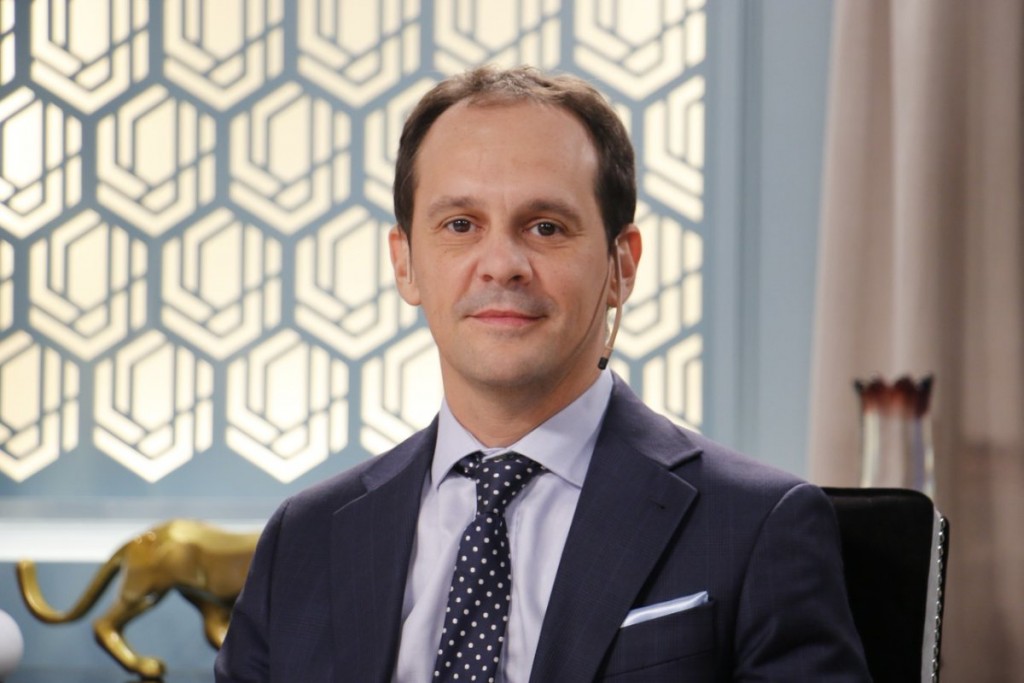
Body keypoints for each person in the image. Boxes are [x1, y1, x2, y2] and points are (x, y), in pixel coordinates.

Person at [215, 65, 870, 682]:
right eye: (461, 224)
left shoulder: (759, 526)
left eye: (546, 227)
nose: (502, 263)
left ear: (621, 266)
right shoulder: (303, 537)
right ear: (405, 262)